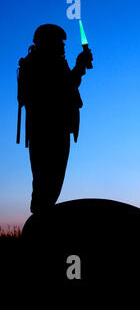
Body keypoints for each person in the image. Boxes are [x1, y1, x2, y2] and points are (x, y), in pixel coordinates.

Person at [17, 24, 93, 214]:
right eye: (60, 42)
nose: (63, 46)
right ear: (49, 42)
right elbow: (65, 88)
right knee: (48, 185)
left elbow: (66, 86)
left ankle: (40, 222)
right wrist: (81, 65)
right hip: (51, 131)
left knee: (47, 186)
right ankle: (40, 226)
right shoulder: (43, 63)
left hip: (48, 130)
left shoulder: (42, 62)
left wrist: (79, 66)